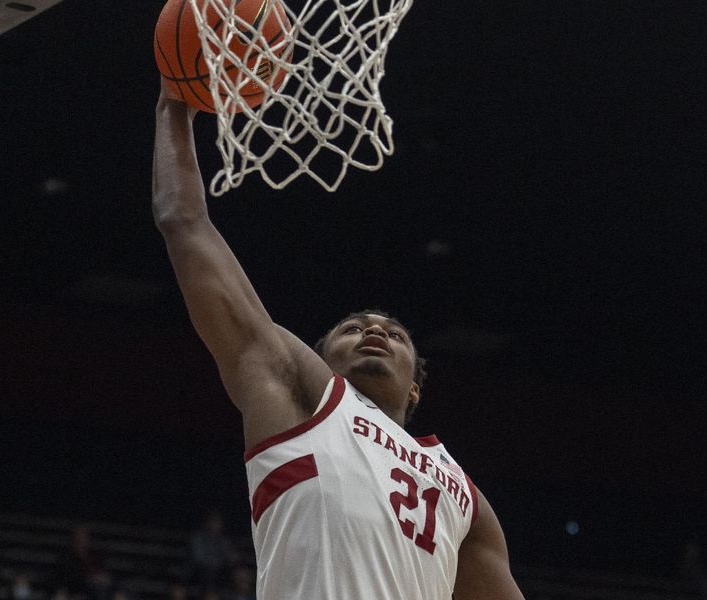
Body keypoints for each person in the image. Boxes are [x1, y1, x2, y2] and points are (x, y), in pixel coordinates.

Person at [152, 81, 525, 600]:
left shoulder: (465, 496)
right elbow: (185, 225)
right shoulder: (303, 395)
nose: (375, 331)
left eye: (395, 335)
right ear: (323, 359)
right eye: (353, 328)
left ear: (415, 388)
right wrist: (174, 105)